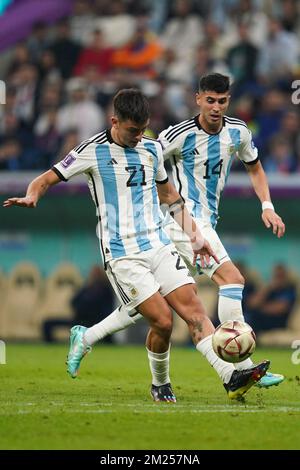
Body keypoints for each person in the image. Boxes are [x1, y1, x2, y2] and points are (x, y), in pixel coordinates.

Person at [3, 88, 269, 402]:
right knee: (162, 320)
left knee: (195, 310)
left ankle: (231, 376)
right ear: (114, 120)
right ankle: (160, 383)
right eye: (132, 130)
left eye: (143, 129)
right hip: (121, 251)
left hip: (157, 243)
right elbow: (47, 178)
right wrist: (33, 194)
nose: (138, 136)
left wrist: (196, 239)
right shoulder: (91, 150)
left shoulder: (152, 149)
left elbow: (170, 197)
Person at [67, 76, 285, 389]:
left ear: (229, 100)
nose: (216, 107)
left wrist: (267, 205)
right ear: (198, 99)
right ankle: (245, 365)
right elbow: (146, 155)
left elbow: (254, 166)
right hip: (181, 221)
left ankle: (86, 335)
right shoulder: (178, 135)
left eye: (222, 101)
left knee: (157, 307)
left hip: (201, 221)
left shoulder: (238, 132)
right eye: (210, 100)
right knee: (232, 280)